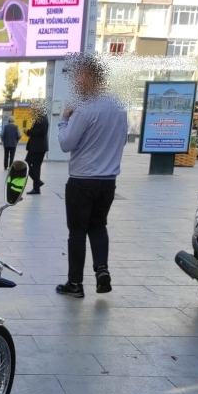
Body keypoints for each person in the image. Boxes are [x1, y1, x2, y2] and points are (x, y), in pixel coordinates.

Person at [56, 55, 128, 299]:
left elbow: (66, 144)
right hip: (108, 181)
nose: (75, 83)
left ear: (88, 77)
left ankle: (75, 284)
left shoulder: (84, 108)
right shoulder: (118, 105)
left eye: (78, 77)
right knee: (98, 226)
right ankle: (101, 270)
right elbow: (122, 140)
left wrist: (64, 118)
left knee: (77, 232)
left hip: (81, 180)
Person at [25, 105, 49, 195]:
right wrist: (29, 133)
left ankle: (36, 188)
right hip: (34, 147)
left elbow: (42, 131)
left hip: (38, 148)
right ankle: (37, 182)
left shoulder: (42, 118)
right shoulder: (39, 118)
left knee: (36, 167)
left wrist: (29, 131)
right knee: (26, 164)